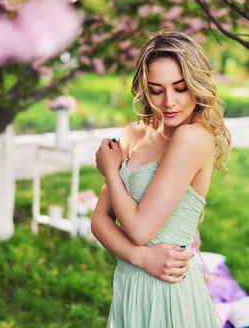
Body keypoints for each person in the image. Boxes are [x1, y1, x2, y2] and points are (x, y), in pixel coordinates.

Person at [91, 31, 231, 327]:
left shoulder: (192, 137)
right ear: (145, 89)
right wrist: (139, 258)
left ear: (197, 85)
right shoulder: (134, 133)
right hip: (130, 284)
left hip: (168, 292)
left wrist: (110, 172)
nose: (169, 102)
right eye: (157, 90)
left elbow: (140, 229)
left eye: (180, 88)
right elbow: (99, 222)